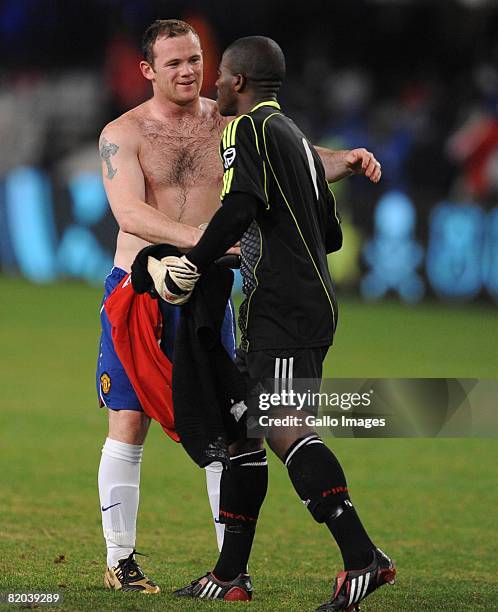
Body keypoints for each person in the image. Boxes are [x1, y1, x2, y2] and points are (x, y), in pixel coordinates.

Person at [96, 19, 382, 594]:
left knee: (232, 428)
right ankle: (121, 560)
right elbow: (128, 213)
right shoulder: (122, 133)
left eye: (196, 60)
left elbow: (288, 154)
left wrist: (342, 160)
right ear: (148, 70)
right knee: (129, 421)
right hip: (144, 286)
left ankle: (229, 567)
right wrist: (198, 239)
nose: (189, 71)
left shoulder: (227, 120)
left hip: (210, 288)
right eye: (174, 62)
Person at [164, 36, 395, 610]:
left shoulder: (247, 131)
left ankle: (363, 557)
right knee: (245, 430)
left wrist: (193, 263)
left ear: (239, 82)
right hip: (291, 303)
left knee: (285, 426)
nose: (213, 84)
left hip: (285, 309)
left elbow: (240, 206)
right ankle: (230, 574)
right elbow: (330, 233)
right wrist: (243, 250)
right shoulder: (294, 138)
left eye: (219, 76)